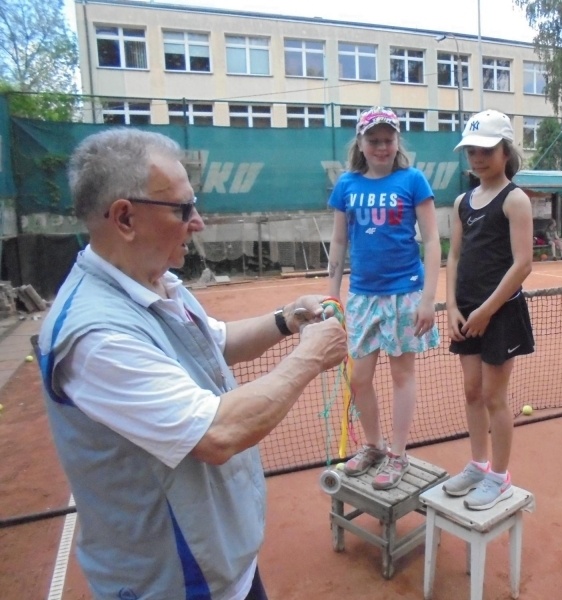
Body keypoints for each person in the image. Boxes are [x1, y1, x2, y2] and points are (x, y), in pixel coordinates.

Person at [36, 128, 348, 600]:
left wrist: (288, 319)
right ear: (125, 217)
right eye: (183, 209)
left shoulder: (153, 282)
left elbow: (213, 342)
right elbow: (214, 434)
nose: (198, 221)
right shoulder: (96, 336)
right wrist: (309, 356)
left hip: (220, 564)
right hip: (176, 582)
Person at [327, 107, 440, 490]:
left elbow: (433, 240)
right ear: (360, 142)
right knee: (359, 378)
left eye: (388, 139)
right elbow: (340, 242)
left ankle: (397, 453)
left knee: (402, 374)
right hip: (361, 296)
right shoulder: (346, 185)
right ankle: (372, 445)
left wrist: (429, 298)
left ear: (397, 142)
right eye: (373, 140)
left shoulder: (413, 180)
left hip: (405, 293)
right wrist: (332, 298)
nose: (381, 146)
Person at [444, 109, 534, 510]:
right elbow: (455, 257)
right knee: (471, 391)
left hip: (499, 315)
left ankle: (499, 475)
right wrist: (452, 307)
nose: (477, 159)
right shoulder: (462, 202)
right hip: (465, 313)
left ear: (505, 151)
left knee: (495, 397)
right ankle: (478, 464)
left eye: (486, 150)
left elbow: (522, 264)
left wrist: (485, 311)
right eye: (471, 152)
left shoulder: (515, 200)